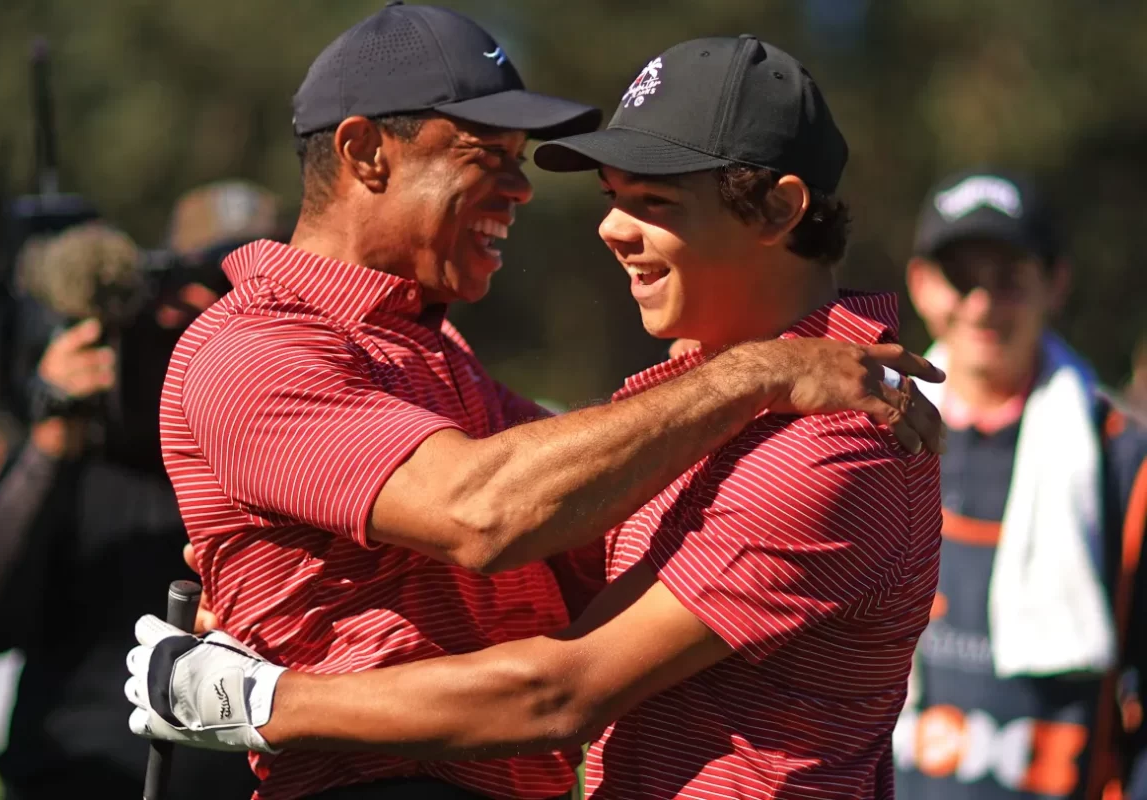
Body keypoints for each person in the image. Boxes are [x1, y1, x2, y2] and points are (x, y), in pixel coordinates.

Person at [126, 33, 944, 800]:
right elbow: (503, 516)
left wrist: (257, 698)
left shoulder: (837, 437)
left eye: (654, 201)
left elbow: (557, 685)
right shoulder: (728, 396)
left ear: (777, 210)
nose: (609, 228)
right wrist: (289, 598)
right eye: (488, 155)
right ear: (363, 153)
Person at [0, 222, 260, 798]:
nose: (180, 349)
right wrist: (54, 429)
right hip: (73, 775)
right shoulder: (76, 460)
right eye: (165, 325)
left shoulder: (275, 466)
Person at [887, 169, 1147, 799]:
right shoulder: (867, 442)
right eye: (962, 279)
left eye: (1008, 280)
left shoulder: (1122, 461)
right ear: (921, 285)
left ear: (1056, 284)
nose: (981, 304)